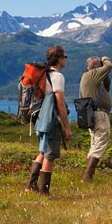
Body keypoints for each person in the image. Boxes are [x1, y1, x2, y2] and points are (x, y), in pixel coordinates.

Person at [24, 45, 72, 195]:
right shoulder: (57, 76)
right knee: (50, 155)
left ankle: (30, 186)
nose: (66, 59)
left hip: (40, 118)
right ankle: (44, 191)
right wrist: (67, 126)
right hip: (51, 119)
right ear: (58, 59)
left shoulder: (45, 75)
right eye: (65, 56)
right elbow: (60, 103)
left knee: (43, 151)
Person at [79, 56, 112, 182]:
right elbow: (109, 65)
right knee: (100, 143)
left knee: (95, 144)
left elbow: (106, 89)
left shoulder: (89, 77)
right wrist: (105, 59)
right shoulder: (93, 75)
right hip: (99, 114)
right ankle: (87, 175)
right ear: (96, 67)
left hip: (93, 114)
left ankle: (89, 175)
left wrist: (106, 77)